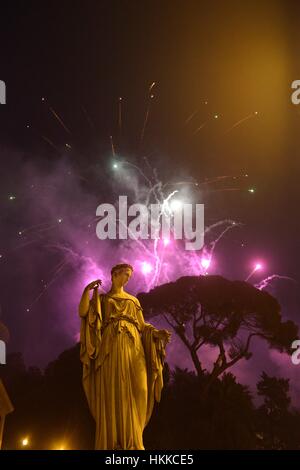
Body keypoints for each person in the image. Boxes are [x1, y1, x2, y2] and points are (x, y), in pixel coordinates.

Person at [79, 263, 171, 450]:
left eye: (130, 275)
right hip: (110, 348)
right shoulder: (103, 299)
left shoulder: (133, 301)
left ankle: (134, 441)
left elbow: (142, 325)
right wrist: (86, 291)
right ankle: (111, 443)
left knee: (141, 390)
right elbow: (83, 313)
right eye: (125, 274)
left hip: (134, 346)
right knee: (112, 390)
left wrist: (155, 333)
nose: (128, 278)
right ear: (114, 274)